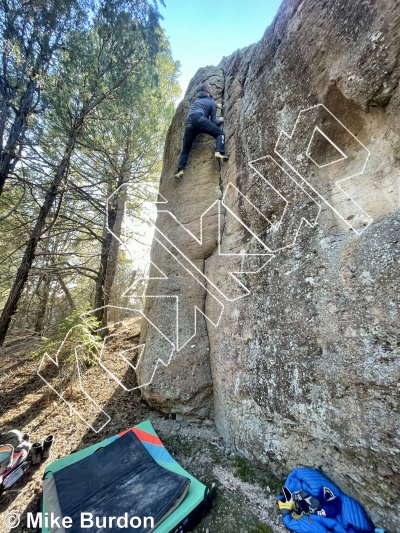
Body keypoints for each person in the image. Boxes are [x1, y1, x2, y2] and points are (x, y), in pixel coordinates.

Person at [175, 81, 229, 179]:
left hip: (189, 123)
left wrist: (216, 105)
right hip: (199, 119)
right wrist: (220, 120)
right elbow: (213, 121)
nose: (212, 90)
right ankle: (219, 152)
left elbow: (205, 102)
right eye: (211, 88)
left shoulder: (197, 100)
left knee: (186, 149)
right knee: (220, 134)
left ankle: (180, 170)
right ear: (208, 90)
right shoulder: (211, 102)